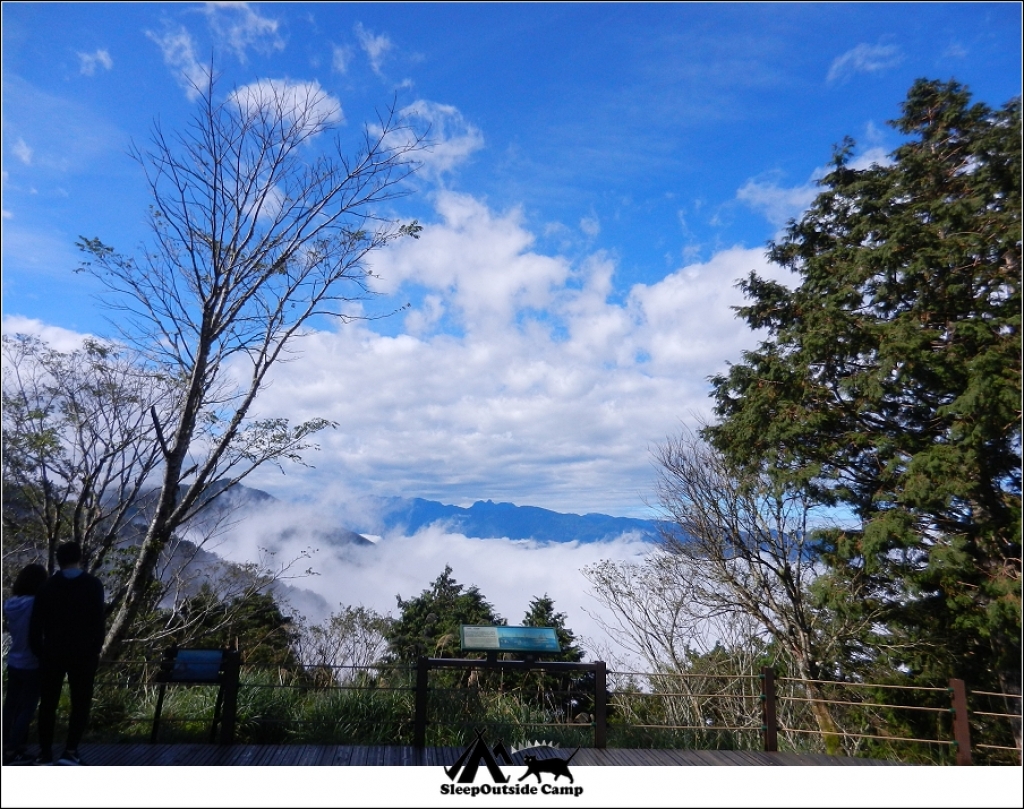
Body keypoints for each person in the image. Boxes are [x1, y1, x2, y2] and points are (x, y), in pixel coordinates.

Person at [29, 542, 105, 766]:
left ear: (59, 559)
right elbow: (98, 623)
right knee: (80, 703)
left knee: (48, 704)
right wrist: (94, 650)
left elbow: (36, 626)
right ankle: (70, 751)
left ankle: (45, 754)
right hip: (82, 654)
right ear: (79, 558)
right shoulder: (93, 584)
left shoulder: (47, 586)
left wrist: (40, 652)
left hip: (52, 653)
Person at [2, 563, 49, 765]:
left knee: (10, 705)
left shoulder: (10, 604)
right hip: (32, 661)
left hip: (14, 660)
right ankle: (14, 748)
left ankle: (6, 745)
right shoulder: (35, 604)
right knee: (27, 708)